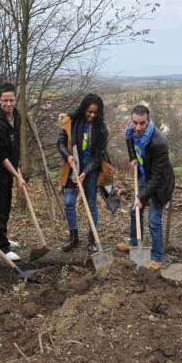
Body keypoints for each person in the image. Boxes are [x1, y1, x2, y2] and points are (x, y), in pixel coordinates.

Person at [115, 105, 175, 269]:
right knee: (134, 211)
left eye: (142, 123)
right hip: (144, 175)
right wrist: (133, 157)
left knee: (154, 221)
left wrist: (141, 198)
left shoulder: (159, 142)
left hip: (160, 182)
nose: (138, 127)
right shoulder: (131, 130)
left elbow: (157, 177)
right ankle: (134, 244)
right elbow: (129, 140)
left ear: (148, 121)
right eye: (135, 123)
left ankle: (156, 257)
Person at [57, 93, 109, 252]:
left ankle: (93, 239)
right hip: (72, 164)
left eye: (95, 112)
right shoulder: (71, 122)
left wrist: (86, 172)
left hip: (92, 167)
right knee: (68, 201)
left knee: (91, 203)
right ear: (84, 108)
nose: (92, 115)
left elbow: (99, 155)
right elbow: (60, 142)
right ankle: (73, 238)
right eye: (89, 112)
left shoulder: (101, 128)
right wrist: (68, 156)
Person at [0, 83, 25, 262]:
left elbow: (14, 147)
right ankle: (1, 246)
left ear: (16, 99)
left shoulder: (16, 115)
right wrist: (18, 176)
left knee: (6, 205)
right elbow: (0, 155)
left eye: (11, 100)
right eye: (4, 100)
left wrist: (18, 169)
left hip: (9, 167)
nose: (8, 104)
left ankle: (2, 236)